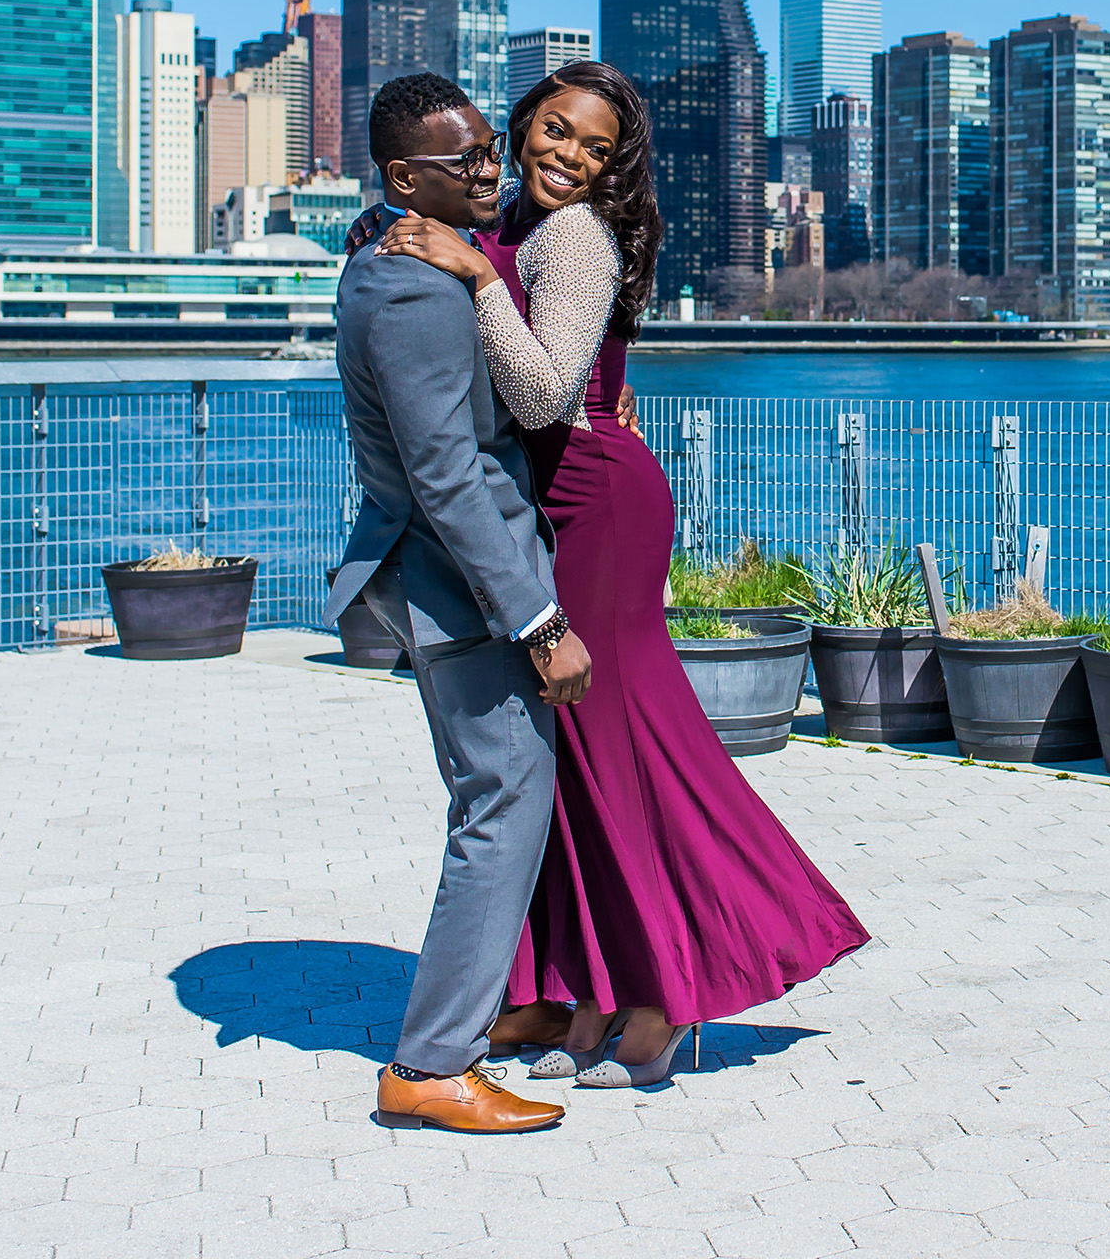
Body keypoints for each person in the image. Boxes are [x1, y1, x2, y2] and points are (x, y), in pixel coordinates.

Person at [355, 60, 868, 1089]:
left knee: (625, 748)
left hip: (596, 502)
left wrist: (476, 277)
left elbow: (544, 396)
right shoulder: (488, 218)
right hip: (550, 507)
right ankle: (585, 989)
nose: (565, 155)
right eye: (552, 128)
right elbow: (430, 263)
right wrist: (398, 240)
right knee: (576, 766)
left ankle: (674, 991)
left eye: (591, 147)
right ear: (520, 122)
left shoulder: (573, 237)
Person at [325, 72, 595, 1134]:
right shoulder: (412, 286)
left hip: (455, 580)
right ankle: (432, 1064)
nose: (493, 169)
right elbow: (447, 475)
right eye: (469, 159)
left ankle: (474, 1024)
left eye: (490, 148)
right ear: (402, 178)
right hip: (464, 591)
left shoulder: (389, 248)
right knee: (500, 802)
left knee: (498, 796)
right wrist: (539, 619)